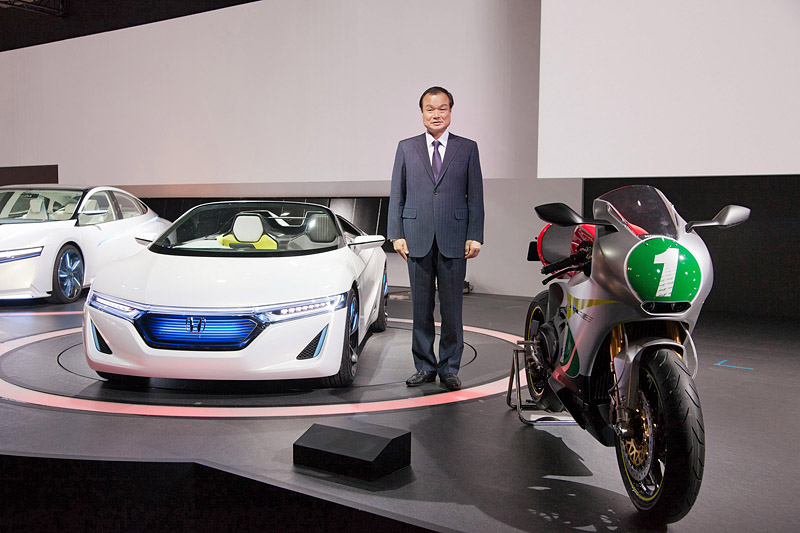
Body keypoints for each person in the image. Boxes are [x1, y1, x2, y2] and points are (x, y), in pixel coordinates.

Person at [387, 86, 485, 391]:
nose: (436, 114)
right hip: (416, 236)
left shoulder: (467, 148)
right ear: (422, 113)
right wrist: (396, 234)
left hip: (454, 237)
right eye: (430, 109)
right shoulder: (406, 147)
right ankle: (424, 366)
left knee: (452, 309)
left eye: (442, 109)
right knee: (421, 308)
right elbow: (397, 193)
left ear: (450, 112)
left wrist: (475, 235)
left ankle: (450, 368)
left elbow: (475, 196)